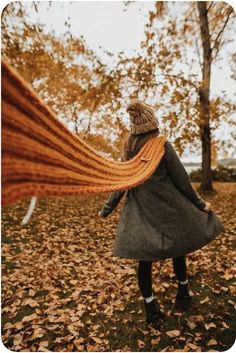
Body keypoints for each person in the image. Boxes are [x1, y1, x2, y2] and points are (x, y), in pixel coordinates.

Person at [98, 99, 225, 328]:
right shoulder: (161, 144)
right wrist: (199, 204)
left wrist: (107, 208)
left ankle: (151, 310)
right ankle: (183, 295)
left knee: (144, 260)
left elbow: (122, 181)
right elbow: (182, 180)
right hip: (169, 208)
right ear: (153, 123)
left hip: (141, 212)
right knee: (179, 248)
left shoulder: (129, 147)